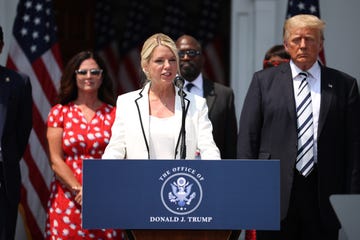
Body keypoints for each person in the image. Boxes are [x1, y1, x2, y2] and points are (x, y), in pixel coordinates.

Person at [237, 14, 360, 240]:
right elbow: (248, 139)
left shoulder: (345, 85)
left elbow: (354, 147)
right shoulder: (263, 82)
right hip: (274, 194)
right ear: (286, 45)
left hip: (325, 196)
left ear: (321, 44)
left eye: (310, 39)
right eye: (296, 39)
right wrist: (249, 193)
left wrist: (351, 200)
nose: (303, 45)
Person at [102, 33, 220, 160]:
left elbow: (209, 150)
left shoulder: (196, 104)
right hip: (139, 179)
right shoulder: (127, 103)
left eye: (172, 60)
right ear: (145, 66)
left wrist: (215, 174)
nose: (168, 66)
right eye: (159, 61)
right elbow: (115, 149)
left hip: (178, 179)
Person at [44, 51, 123, 239]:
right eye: (83, 72)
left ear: (102, 77)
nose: (89, 77)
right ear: (74, 75)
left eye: (95, 72)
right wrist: (80, 190)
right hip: (68, 197)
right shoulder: (59, 112)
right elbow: (55, 160)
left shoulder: (116, 114)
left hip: (105, 195)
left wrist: (95, 190)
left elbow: (122, 158)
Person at [175, 34, 238, 159]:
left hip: (212, 169)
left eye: (191, 53)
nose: (186, 57)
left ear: (203, 58)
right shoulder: (165, 92)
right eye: (180, 54)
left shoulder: (224, 95)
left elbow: (230, 143)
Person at [0, 25, 33, 240]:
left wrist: (8, 157)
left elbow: (23, 129)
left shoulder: (18, 82)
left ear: (1, 46)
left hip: (4, 177)